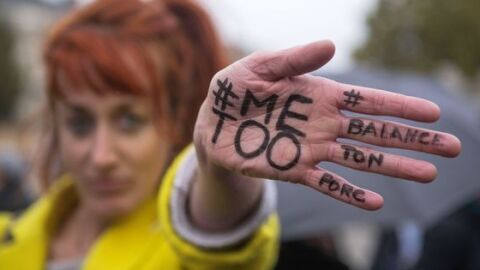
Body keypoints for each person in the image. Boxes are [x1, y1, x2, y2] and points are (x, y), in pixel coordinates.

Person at [0, 0, 461, 269]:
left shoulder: (186, 243)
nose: (100, 156)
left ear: (174, 122)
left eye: (129, 120)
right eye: (81, 122)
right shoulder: (10, 236)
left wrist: (220, 172)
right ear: (54, 123)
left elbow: (214, 234)